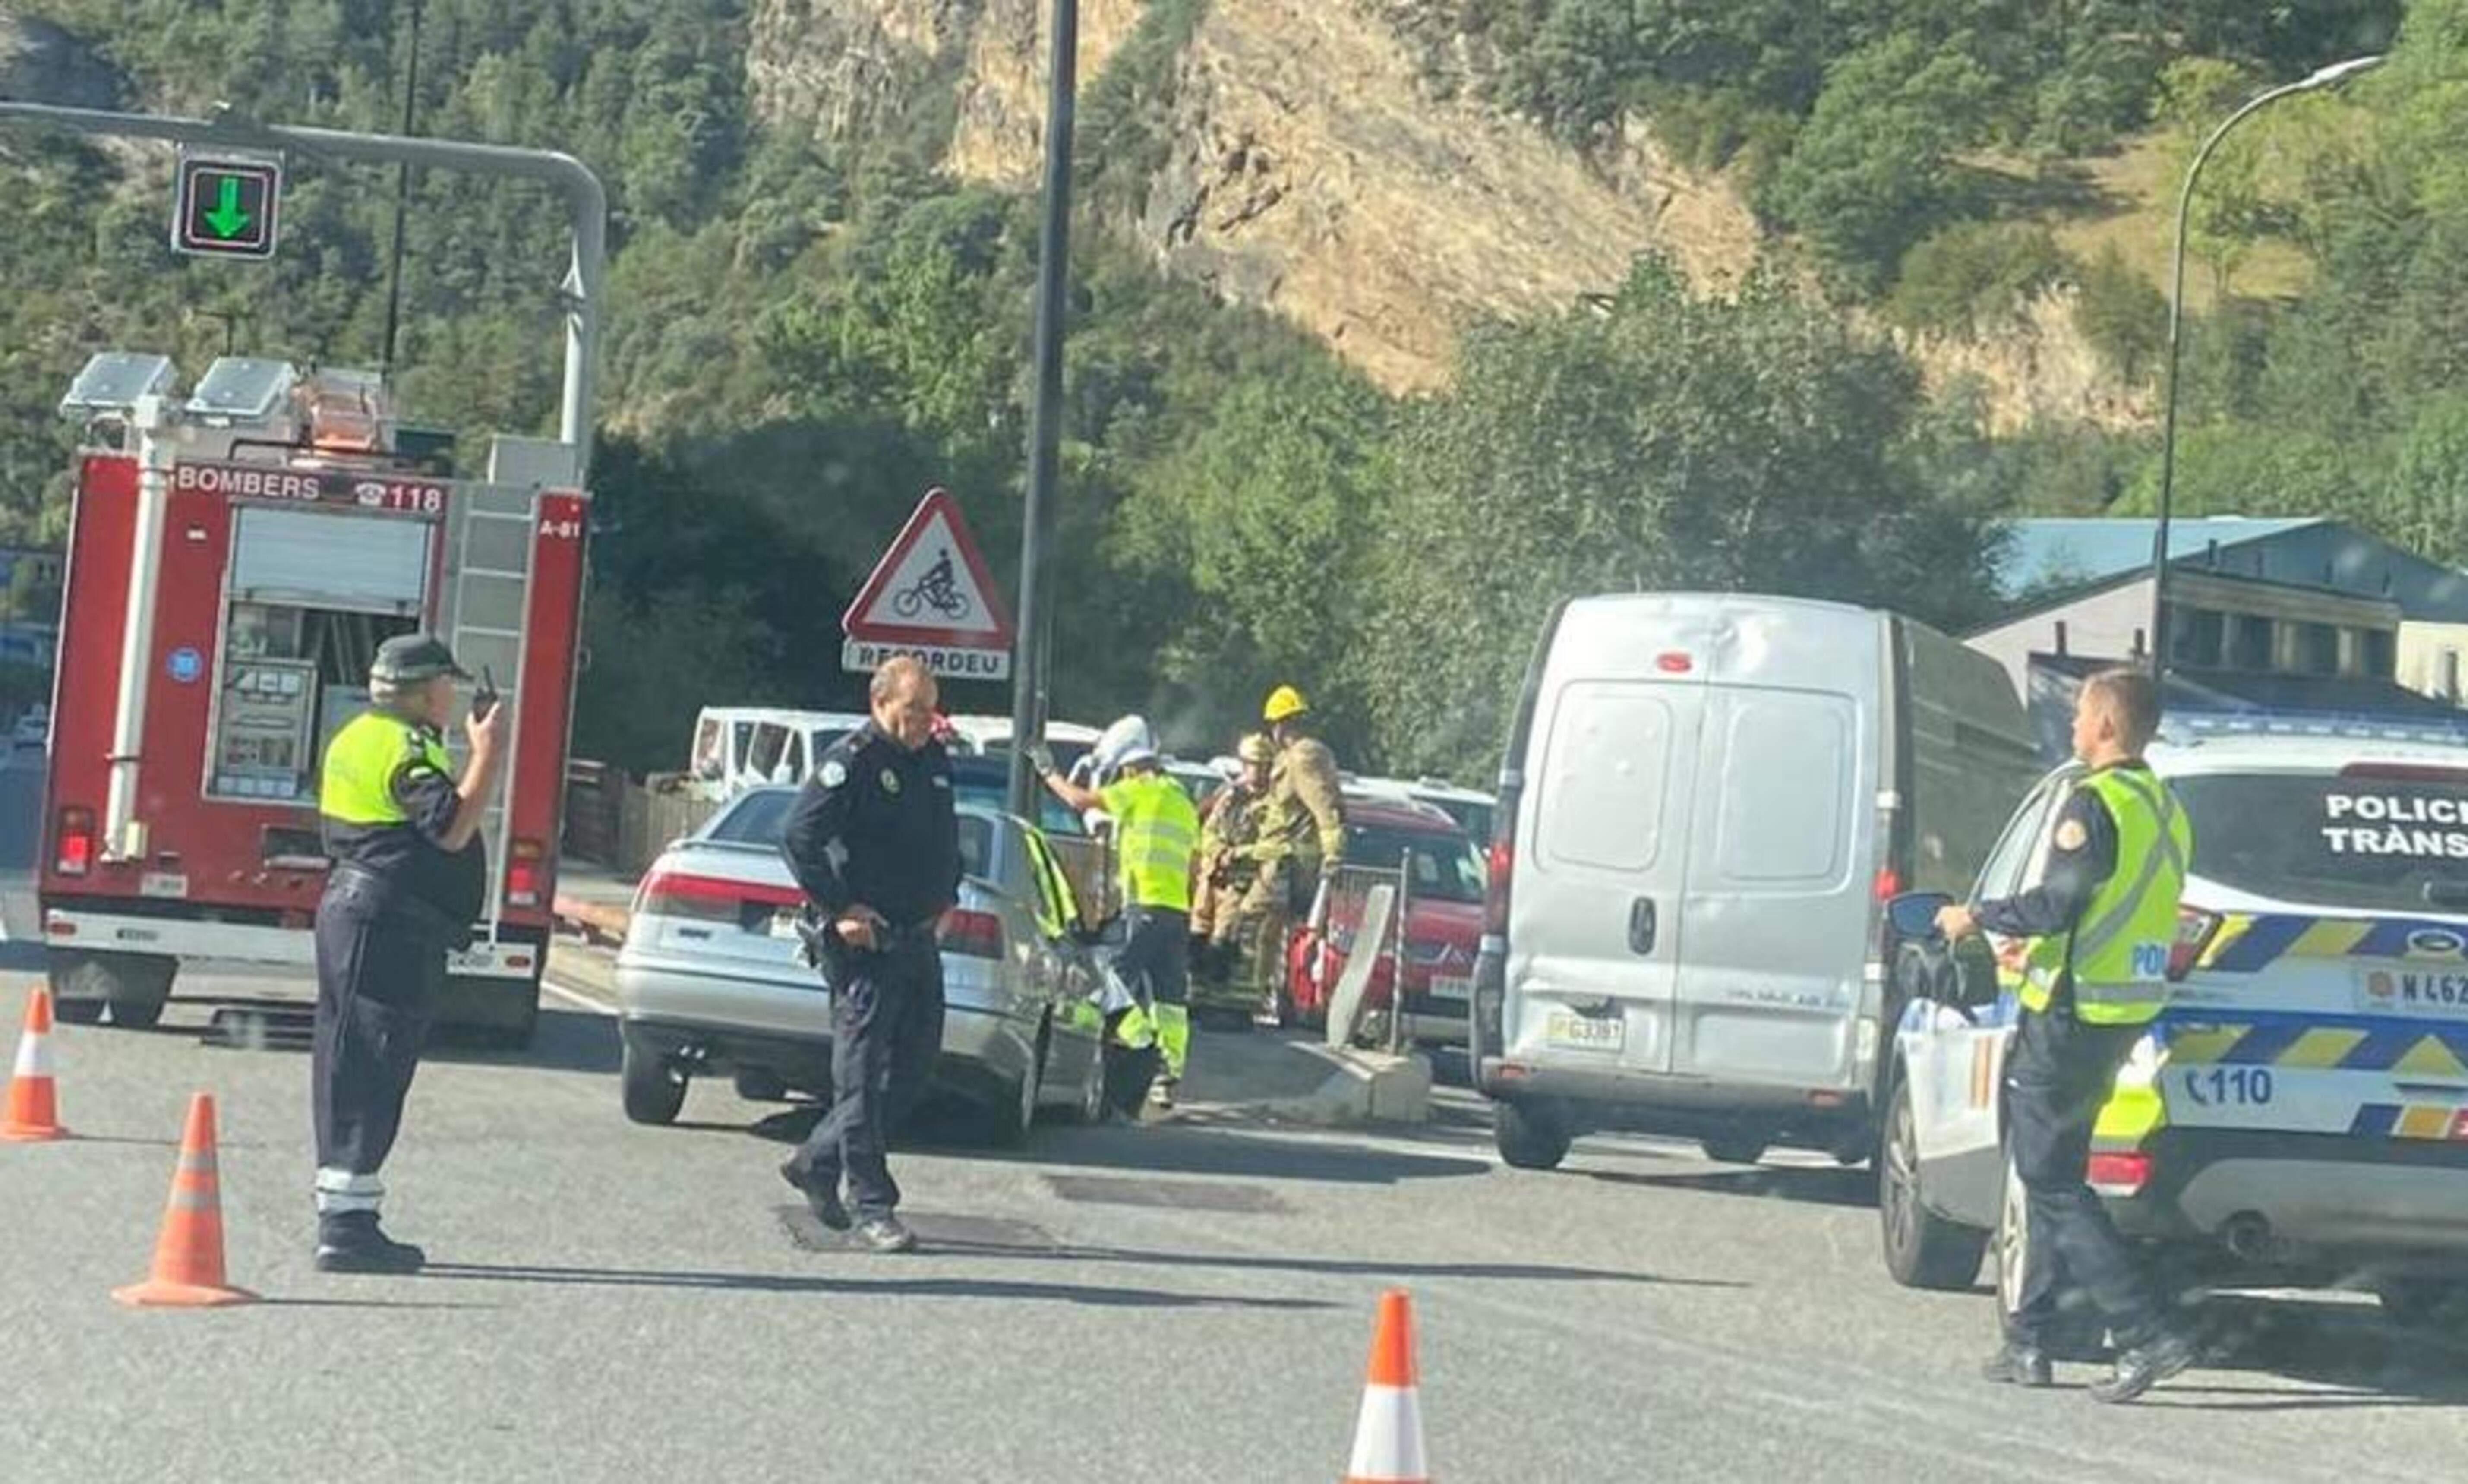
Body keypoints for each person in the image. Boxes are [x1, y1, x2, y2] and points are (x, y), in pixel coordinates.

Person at [1936, 667, 2199, 1404]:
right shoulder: (2165, 806)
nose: (2074, 728)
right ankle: (2030, 1338)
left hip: (2067, 1011)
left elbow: (2059, 901)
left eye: (2082, 716)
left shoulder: (2093, 801)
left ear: (2108, 725)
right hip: (2119, 1014)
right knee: (2049, 1169)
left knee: (2049, 1179)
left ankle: (2145, 1334)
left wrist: (1975, 915)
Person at [311, 634, 504, 1274]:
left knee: (353, 1059)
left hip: (364, 913)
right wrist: (488, 754)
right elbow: (451, 828)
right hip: (383, 923)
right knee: (372, 1063)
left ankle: (350, 1216)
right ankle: (346, 1227)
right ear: (424, 691)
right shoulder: (403, 749)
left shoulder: (358, 734)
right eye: (446, 684)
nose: (453, 695)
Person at [776, 656, 961, 1254]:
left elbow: (944, 838)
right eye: (912, 713)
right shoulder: (851, 762)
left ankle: (816, 1159)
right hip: (866, 943)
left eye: (928, 713)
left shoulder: (931, 758)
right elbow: (797, 837)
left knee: (911, 1071)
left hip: (918, 936)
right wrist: (841, 908)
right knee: (858, 1075)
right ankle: (872, 1205)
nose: (921, 724)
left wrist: (946, 896)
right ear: (880, 703)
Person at [1035, 716, 1201, 1108]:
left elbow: (1078, 801)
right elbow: (1195, 864)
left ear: (1131, 765)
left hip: (1143, 904)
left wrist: (1049, 774)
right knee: (1170, 996)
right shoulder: (1182, 800)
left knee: (1110, 983)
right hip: (1177, 911)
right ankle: (1168, 1074)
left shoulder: (1138, 790)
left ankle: (1142, 1042)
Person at [1229, 685, 1346, 1019]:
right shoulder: (1311, 755)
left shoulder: (1302, 758)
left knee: (1247, 920)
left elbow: (1324, 806)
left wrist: (1333, 852)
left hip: (1287, 859)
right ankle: (1269, 996)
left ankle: (1243, 998)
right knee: (1271, 931)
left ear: (1280, 725)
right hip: (1288, 856)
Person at [1190, 733, 1275, 997]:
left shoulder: (1274, 804)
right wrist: (1218, 853)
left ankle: (1220, 993)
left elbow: (1273, 843)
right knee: (1198, 934)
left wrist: (1238, 854)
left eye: (1262, 765)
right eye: (1251, 764)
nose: (1256, 771)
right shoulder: (1229, 796)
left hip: (1243, 882)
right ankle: (1195, 987)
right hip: (1213, 876)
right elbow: (1209, 830)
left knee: (1224, 939)